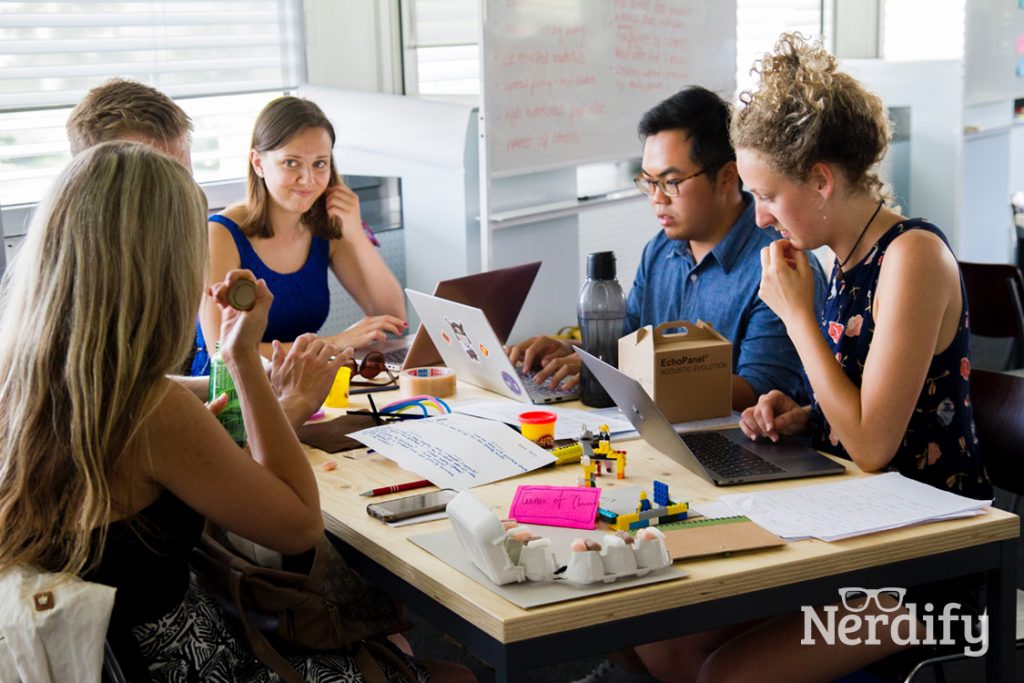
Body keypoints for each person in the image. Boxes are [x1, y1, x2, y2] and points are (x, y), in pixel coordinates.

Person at [0, 141, 472, 682]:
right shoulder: (152, 412)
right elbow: (296, 525)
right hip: (192, 664)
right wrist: (246, 361)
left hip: (98, 655)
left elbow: (186, 389)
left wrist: (235, 365)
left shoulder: (27, 383)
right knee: (447, 674)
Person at [631, 33, 991, 683]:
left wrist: (799, 316)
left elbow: (875, 445)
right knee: (663, 639)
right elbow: (857, 407)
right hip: (855, 532)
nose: (762, 217)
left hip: (927, 581)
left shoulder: (910, 258)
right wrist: (798, 414)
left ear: (821, 180)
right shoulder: (846, 259)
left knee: (721, 673)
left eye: (767, 194)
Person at [509, 86, 825, 410]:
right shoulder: (660, 251)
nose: (657, 198)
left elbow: (763, 391)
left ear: (727, 176)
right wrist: (571, 351)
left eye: (671, 182)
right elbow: (628, 344)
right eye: (649, 182)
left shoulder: (778, 266)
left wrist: (625, 373)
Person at [66, 78, 340, 415]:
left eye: (184, 175)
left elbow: (143, 389)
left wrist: (260, 375)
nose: (184, 196)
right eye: (158, 179)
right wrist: (297, 401)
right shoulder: (81, 289)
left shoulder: (153, 253)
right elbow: (124, 411)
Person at [193, 96, 407, 375]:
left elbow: (393, 319)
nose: (308, 179)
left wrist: (354, 233)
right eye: (291, 163)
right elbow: (223, 351)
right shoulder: (220, 233)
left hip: (297, 386)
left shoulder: (325, 227)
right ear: (258, 163)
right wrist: (333, 343)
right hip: (228, 396)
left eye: (320, 164)